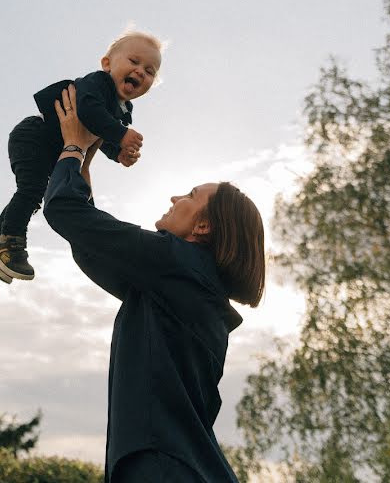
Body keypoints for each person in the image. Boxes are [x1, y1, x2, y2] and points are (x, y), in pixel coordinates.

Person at [43, 84, 265, 482]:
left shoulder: (175, 263)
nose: (175, 196)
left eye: (191, 195)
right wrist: (85, 163)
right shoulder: (190, 286)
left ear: (203, 225)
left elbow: (64, 212)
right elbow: (90, 246)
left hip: (162, 468)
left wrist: (74, 147)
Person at [0, 30, 162, 283]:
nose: (140, 71)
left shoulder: (122, 110)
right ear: (107, 64)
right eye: (134, 62)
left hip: (50, 148)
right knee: (31, 189)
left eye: (149, 71)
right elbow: (88, 111)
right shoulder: (97, 84)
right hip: (34, 136)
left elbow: (97, 133)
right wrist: (120, 134)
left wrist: (117, 153)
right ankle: (11, 244)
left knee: (33, 191)